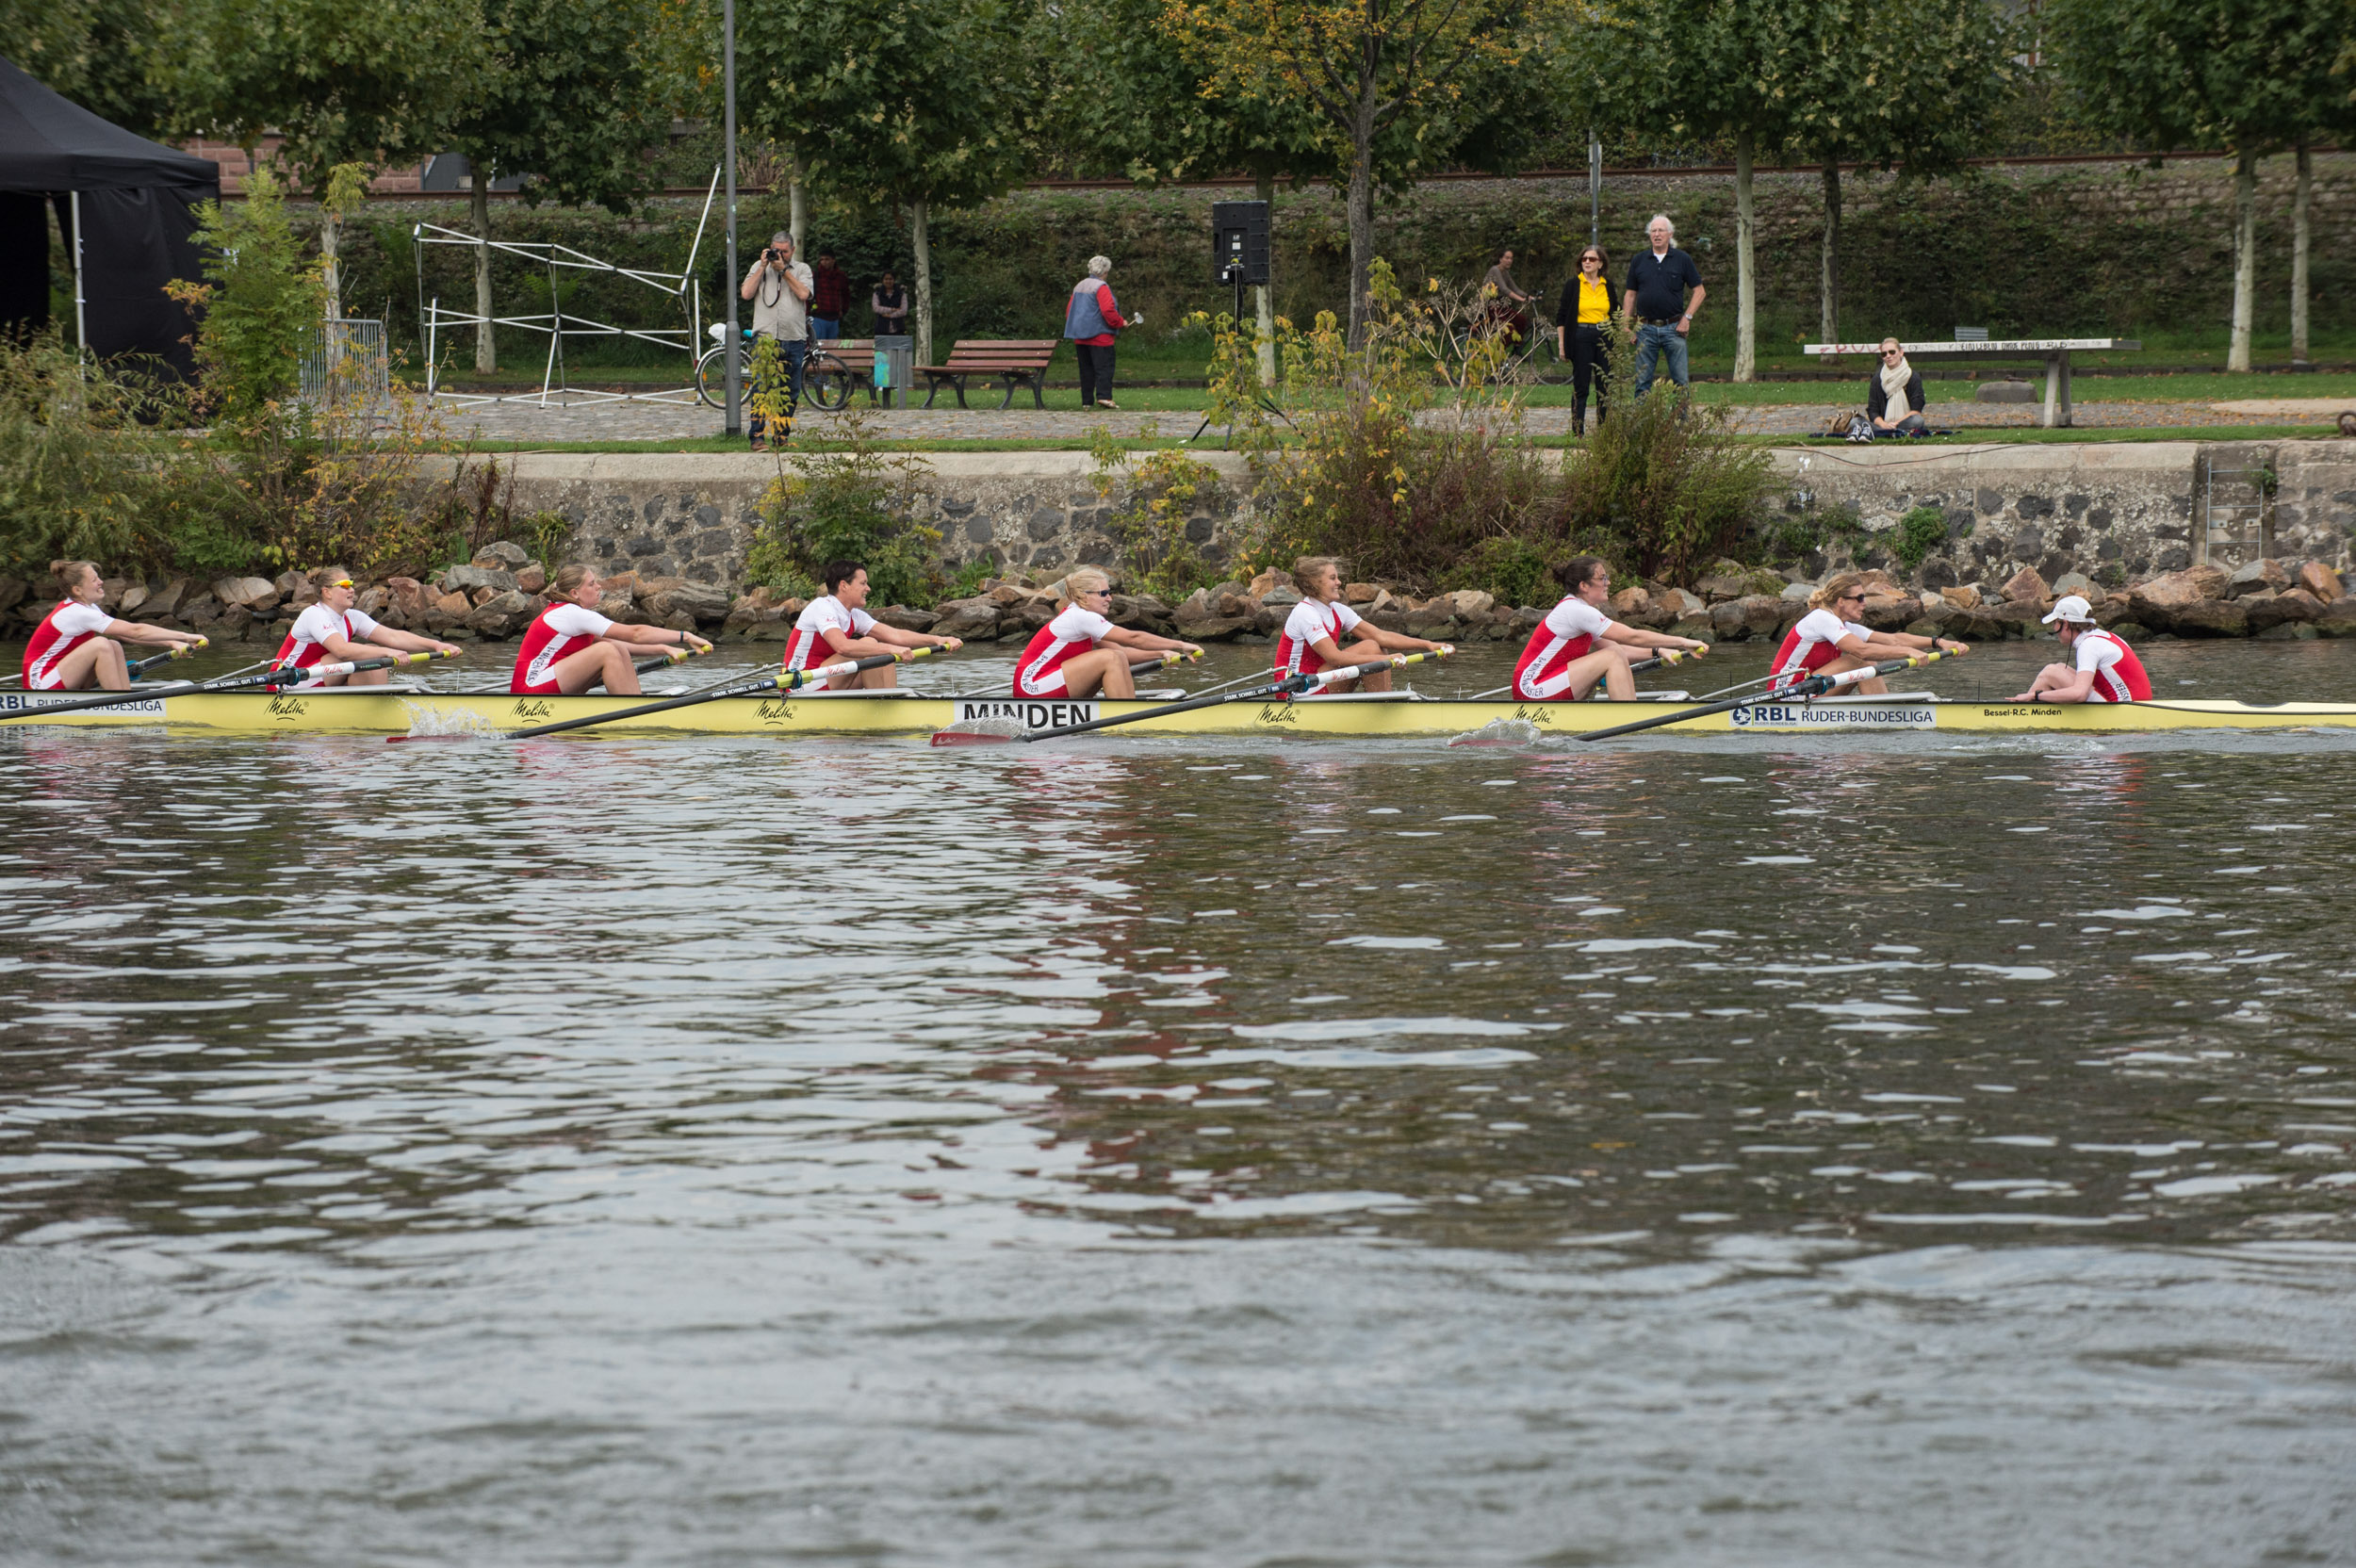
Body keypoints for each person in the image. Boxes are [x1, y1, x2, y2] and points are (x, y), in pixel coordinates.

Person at [1513, 556, 1709, 702]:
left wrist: (1658, 651)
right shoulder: (1575, 610)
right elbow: (1631, 637)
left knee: (1613, 653)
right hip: (1532, 689)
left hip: (1545, 685)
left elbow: (1620, 649)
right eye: (1603, 578)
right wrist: (1684, 642)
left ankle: (1628, 711)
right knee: (1612, 655)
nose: (1609, 583)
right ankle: (1628, 717)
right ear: (1584, 585)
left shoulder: (1581, 610)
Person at [512, 565, 712, 695]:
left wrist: (665, 648)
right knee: (607, 651)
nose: (599, 587)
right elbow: (636, 633)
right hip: (529, 691)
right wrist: (684, 636)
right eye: (592, 584)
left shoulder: (571, 615)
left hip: (549, 685)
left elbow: (626, 645)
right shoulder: (572, 614)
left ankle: (634, 700)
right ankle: (630, 709)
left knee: (614, 648)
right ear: (575, 593)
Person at [19, 560, 207, 691]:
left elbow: (124, 635)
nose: (101, 582)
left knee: (114, 644)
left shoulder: (87, 607)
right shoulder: (76, 612)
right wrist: (186, 636)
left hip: (62, 674)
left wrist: (170, 643)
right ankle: (119, 703)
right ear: (77, 590)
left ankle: (123, 697)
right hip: (40, 683)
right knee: (101, 645)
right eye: (94, 580)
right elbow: (136, 631)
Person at [1014, 569, 1201, 700]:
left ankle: (1129, 709)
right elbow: (1133, 639)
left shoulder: (1082, 619)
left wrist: (1162, 653)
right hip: (1032, 687)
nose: (1109, 598)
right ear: (1084, 596)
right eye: (1103, 593)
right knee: (1109, 658)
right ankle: (1126, 715)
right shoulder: (1079, 617)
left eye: (1109, 593)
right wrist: (1180, 644)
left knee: (1116, 656)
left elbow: (1124, 653)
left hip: (1046, 683)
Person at [1770, 574, 1967, 695]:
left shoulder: (1843, 625)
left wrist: (1939, 642)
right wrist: (1909, 652)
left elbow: (1894, 639)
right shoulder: (1822, 618)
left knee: (1865, 663)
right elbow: (1862, 651)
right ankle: (1885, 715)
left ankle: (1883, 712)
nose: (1864, 603)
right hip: (1787, 692)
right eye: (1860, 598)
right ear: (1841, 601)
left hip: (1813, 687)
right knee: (1861, 661)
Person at [1275, 557, 1448, 694]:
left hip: (1320, 680)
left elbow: (1382, 636)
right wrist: (1384, 660)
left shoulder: (1338, 610)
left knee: (1377, 645)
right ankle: (1383, 708)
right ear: (1314, 583)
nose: (1339, 582)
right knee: (1371, 648)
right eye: (1332, 578)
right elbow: (1335, 658)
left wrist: (1427, 645)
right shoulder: (1306, 613)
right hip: (1296, 688)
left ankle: (1382, 704)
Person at [783, 561, 965, 690]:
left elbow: (897, 636)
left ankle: (889, 700)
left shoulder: (855, 615)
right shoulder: (822, 607)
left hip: (830, 679)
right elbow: (843, 647)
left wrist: (938, 639)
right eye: (863, 583)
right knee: (872, 645)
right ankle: (883, 708)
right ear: (844, 585)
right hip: (802, 683)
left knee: (878, 647)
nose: (868, 588)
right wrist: (890, 649)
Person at [275, 566, 462, 686]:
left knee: (371, 652)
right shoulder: (314, 614)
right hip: (287, 682)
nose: (352, 589)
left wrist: (436, 645)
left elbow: (394, 637)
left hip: (321, 678)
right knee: (369, 653)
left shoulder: (353, 617)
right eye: (345, 585)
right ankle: (375, 707)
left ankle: (375, 703)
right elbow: (342, 651)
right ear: (327, 593)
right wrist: (387, 652)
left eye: (352, 585)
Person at [740, 231, 812, 451]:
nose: (780, 255)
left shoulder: (802, 269)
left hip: (794, 338)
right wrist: (763, 267)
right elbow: (746, 294)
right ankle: (757, 438)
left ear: (793, 250)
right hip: (765, 340)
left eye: (784, 251)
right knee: (762, 388)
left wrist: (785, 272)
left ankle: (781, 436)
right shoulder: (759, 267)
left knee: (790, 391)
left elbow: (804, 294)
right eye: (776, 250)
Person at [1621, 214, 1705, 395]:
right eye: (1653, 231)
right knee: (1642, 382)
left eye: (1661, 230)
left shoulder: (1682, 259)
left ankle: (1682, 423)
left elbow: (1700, 291)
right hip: (1645, 329)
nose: (1657, 234)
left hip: (1674, 328)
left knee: (1680, 382)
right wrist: (1626, 325)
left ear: (1670, 234)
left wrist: (1687, 318)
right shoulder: (1639, 260)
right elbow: (1630, 294)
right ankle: (1644, 422)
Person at [2013, 595, 2151, 704]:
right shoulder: (2107, 637)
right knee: (2061, 667)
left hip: (2123, 709)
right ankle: (2030, 711)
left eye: (2055, 623)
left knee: (2050, 672)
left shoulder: (2089, 645)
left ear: (2065, 624)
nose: (2054, 628)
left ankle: (2019, 714)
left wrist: (2036, 695)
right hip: (2133, 704)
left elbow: (2079, 694)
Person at [1063, 255, 1136, 411]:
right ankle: (1104, 397)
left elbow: (1070, 311)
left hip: (1080, 337)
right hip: (1100, 336)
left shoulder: (1079, 286)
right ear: (1105, 271)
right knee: (1104, 368)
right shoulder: (1101, 287)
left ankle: (1086, 401)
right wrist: (1120, 322)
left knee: (1086, 370)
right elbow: (1108, 310)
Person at [1555, 245, 1612, 433]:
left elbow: (1615, 313)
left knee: (1604, 385)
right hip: (1581, 336)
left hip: (1604, 336)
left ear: (1600, 263)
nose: (1587, 262)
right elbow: (1562, 317)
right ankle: (1578, 431)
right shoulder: (1573, 285)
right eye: (1584, 259)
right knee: (1581, 385)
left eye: (1592, 259)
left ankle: (1603, 430)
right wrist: (1562, 344)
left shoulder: (1607, 285)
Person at [1869, 338, 1929, 436]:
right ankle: (1888, 431)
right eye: (1884, 354)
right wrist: (1884, 424)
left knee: (1917, 421)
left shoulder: (1912, 377)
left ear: (1901, 353)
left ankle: (1888, 432)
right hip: (1883, 424)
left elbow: (1916, 409)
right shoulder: (1877, 379)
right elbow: (1872, 410)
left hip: (1904, 422)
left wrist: (1895, 424)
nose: (1888, 356)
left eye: (1892, 352)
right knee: (1855, 422)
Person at [1482, 248, 1537, 346]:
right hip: (1490, 306)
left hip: (1501, 305)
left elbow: (1515, 289)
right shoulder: (1495, 270)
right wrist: (1520, 299)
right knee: (1509, 329)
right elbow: (1504, 289)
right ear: (1500, 259)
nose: (1509, 261)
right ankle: (1499, 355)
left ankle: (1517, 349)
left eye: (1511, 258)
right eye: (1507, 258)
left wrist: (1529, 297)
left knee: (1521, 320)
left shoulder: (1505, 273)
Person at [809, 251, 850, 342]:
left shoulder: (841, 277)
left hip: (834, 317)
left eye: (827, 259)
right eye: (822, 260)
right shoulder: (815, 276)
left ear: (833, 260)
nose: (824, 262)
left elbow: (845, 295)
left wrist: (843, 310)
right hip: (818, 316)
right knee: (818, 345)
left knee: (832, 346)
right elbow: (809, 296)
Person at [871, 270, 909, 337]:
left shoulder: (901, 293)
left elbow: (904, 311)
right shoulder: (877, 293)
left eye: (890, 279)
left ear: (894, 280)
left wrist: (890, 316)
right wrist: (893, 310)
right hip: (881, 329)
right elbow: (876, 308)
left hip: (898, 329)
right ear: (882, 280)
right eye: (886, 279)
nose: (888, 281)